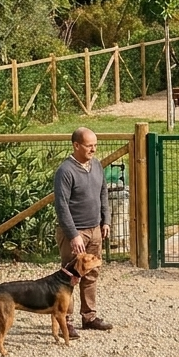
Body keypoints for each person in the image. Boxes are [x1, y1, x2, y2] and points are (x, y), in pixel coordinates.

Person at [54, 127, 111, 335]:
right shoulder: (65, 171)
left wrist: (106, 220)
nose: (93, 149)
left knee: (92, 274)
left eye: (95, 145)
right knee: (70, 276)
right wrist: (72, 234)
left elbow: (103, 192)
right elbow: (61, 206)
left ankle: (89, 317)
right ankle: (65, 321)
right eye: (89, 145)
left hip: (95, 228)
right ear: (76, 145)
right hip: (75, 232)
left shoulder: (96, 165)